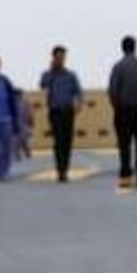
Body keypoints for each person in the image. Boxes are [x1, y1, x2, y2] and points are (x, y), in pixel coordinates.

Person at [108, 35, 137, 188]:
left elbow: (113, 91)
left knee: (124, 145)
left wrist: (117, 107)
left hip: (123, 111)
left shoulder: (118, 67)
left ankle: (126, 176)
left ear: (123, 48)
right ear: (135, 47)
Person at [39, 45, 83, 182]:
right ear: (53, 58)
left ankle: (65, 168)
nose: (61, 60)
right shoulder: (48, 74)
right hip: (55, 111)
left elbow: (78, 92)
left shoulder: (71, 75)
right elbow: (42, 85)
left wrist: (79, 104)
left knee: (67, 141)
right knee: (58, 141)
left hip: (68, 111)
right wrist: (51, 71)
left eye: (63, 57)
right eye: (58, 57)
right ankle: (60, 170)